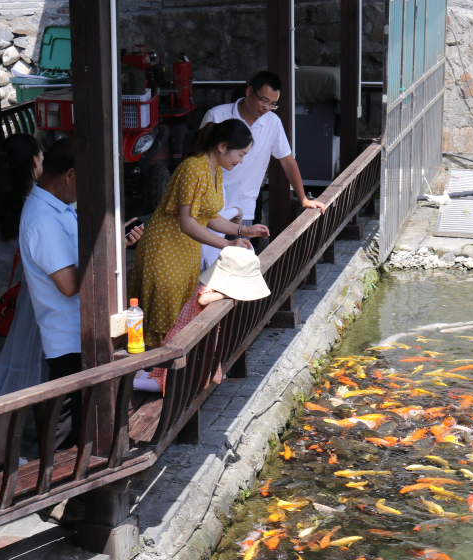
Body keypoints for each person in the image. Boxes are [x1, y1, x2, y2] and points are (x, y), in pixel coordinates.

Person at [128, 119, 270, 348]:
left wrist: (243, 230)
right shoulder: (193, 167)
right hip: (166, 253)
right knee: (166, 327)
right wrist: (227, 244)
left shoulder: (214, 170)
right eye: (241, 154)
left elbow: (208, 216)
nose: (241, 161)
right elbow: (188, 223)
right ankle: (156, 378)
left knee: (180, 323)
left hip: (185, 255)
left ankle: (166, 380)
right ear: (223, 146)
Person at [199, 71, 327, 270]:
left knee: (237, 266)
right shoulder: (217, 115)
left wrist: (303, 198)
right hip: (210, 204)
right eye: (264, 101)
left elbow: (287, 161)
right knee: (206, 265)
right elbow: (200, 160)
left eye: (273, 104)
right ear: (249, 91)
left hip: (244, 206)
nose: (267, 108)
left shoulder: (272, 122)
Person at [0, 134, 45, 472]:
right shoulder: (37, 201)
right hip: (40, 295)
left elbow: (2, 252)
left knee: (16, 363)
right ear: (35, 161)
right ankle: (3, 447)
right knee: (23, 368)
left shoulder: (8, 200)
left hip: (25, 291)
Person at [19, 138, 84, 450]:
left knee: (76, 420)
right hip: (67, 334)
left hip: (78, 329)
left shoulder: (59, 208)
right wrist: (106, 249)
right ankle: (49, 491)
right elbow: (69, 285)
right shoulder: (42, 219)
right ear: (69, 175)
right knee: (65, 427)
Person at [134, 246, 271, 393]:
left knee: (169, 377)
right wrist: (226, 295)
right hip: (183, 338)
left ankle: (138, 376)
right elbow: (203, 299)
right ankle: (133, 385)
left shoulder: (215, 283)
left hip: (189, 336)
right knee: (169, 383)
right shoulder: (210, 285)